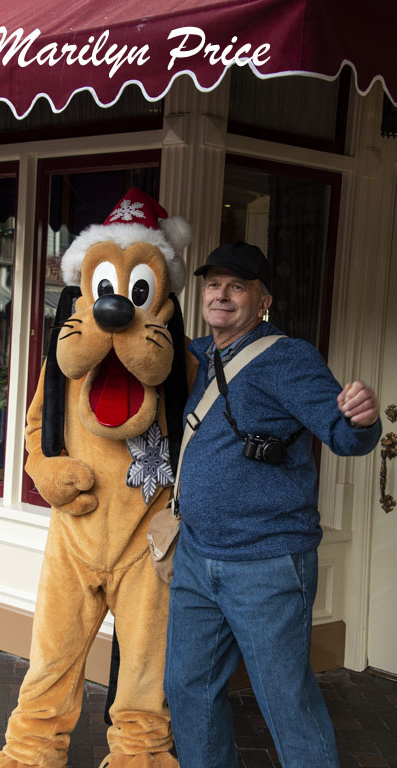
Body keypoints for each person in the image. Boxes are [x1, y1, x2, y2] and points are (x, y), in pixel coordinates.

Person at [163, 241, 381, 768]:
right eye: (214, 284)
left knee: (286, 703)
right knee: (188, 689)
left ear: (263, 302)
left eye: (237, 286)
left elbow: (342, 435)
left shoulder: (288, 358)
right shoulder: (199, 355)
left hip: (267, 565)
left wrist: (362, 419)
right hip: (196, 556)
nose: (221, 295)